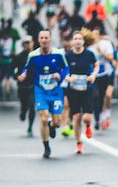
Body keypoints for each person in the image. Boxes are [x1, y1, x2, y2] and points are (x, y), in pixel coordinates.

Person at [18, 29, 68, 158]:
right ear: (38, 40)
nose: (44, 40)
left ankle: (53, 125)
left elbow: (66, 68)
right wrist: (24, 74)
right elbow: (27, 67)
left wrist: (60, 75)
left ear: (50, 39)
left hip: (56, 91)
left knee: (57, 122)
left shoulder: (58, 54)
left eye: (46, 38)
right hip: (40, 90)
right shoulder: (33, 55)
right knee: (44, 117)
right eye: (42, 38)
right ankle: (46, 146)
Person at [63, 30, 99, 154]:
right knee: (77, 117)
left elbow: (96, 65)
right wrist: (67, 77)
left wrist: (93, 75)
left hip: (87, 88)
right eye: (75, 39)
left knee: (86, 118)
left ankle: (88, 125)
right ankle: (79, 142)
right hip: (73, 90)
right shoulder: (68, 56)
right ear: (72, 42)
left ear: (83, 41)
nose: (78, 41)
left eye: (80, 39)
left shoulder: (89, 54)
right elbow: (63, 70)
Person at [89, 26, 116, 129]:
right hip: (95, 75)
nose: (94, 36)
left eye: (96, 33)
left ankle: (106, 114)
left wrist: (101, 51)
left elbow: (110, 57)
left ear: (99, 34)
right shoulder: (89, 46)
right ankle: (97, 120)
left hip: (107, 73)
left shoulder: (105, 44)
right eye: (93, 34)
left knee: (107, 96)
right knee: (96, 97)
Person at [12, 37, 35, 136]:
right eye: (25, 43)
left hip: (33, 85)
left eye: (29, 43)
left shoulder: (36, 56)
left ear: (33, 43)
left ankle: (30, 127)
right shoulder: (19, 56)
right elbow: (11, 71)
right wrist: (17, 77)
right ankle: (23, 112)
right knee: (24, 105)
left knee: (32, 105)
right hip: (22, 87)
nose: (27, 45)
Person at [0, 17, 19, 99]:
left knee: (5, 75)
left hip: (6, 60)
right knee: (5, 75)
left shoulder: (6, 35)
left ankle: (3, 88)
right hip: (5, 60)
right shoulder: (11, 35)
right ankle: (3, 88)